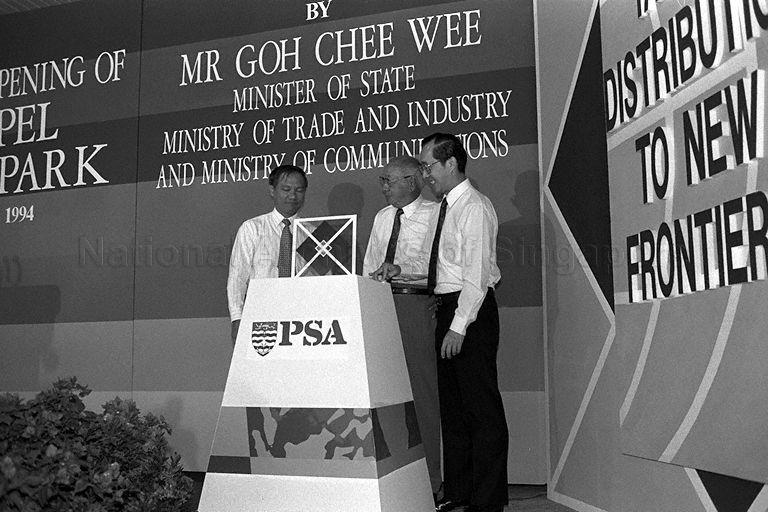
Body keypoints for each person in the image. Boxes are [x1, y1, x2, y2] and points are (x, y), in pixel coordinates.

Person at [418, 133, 508, 512]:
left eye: (429, 166)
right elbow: (445, 267)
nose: (425, 175)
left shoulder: (474, 206)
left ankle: (487, 502)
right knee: (453, 409)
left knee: (480, 410)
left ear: (451, 163)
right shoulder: (445, 207)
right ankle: (459, 492)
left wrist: (459, 326)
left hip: (470, 313)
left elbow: (476, 276)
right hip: (448, 310)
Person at [362, 155, 442, 498]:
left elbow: (441, 262)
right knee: (384, 393)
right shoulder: (382, 217)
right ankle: (394, 479)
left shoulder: (437, 213)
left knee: (422, 394)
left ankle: (432, 482)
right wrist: (378, 276)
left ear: (412, 181)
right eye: (383, 180)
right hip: (382, 304)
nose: (383, 186)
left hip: (415, 304)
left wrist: (402, 268)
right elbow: (369, 263)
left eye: (389, 180)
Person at [227, 165, 307, 344]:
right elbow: (237, 277)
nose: (293, 196)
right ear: (272, 191)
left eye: (299, 190)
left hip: (301, 321)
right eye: (286, 189)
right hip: (261, 316)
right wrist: (237, 319)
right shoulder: (252, 228)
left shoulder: (311, 232)